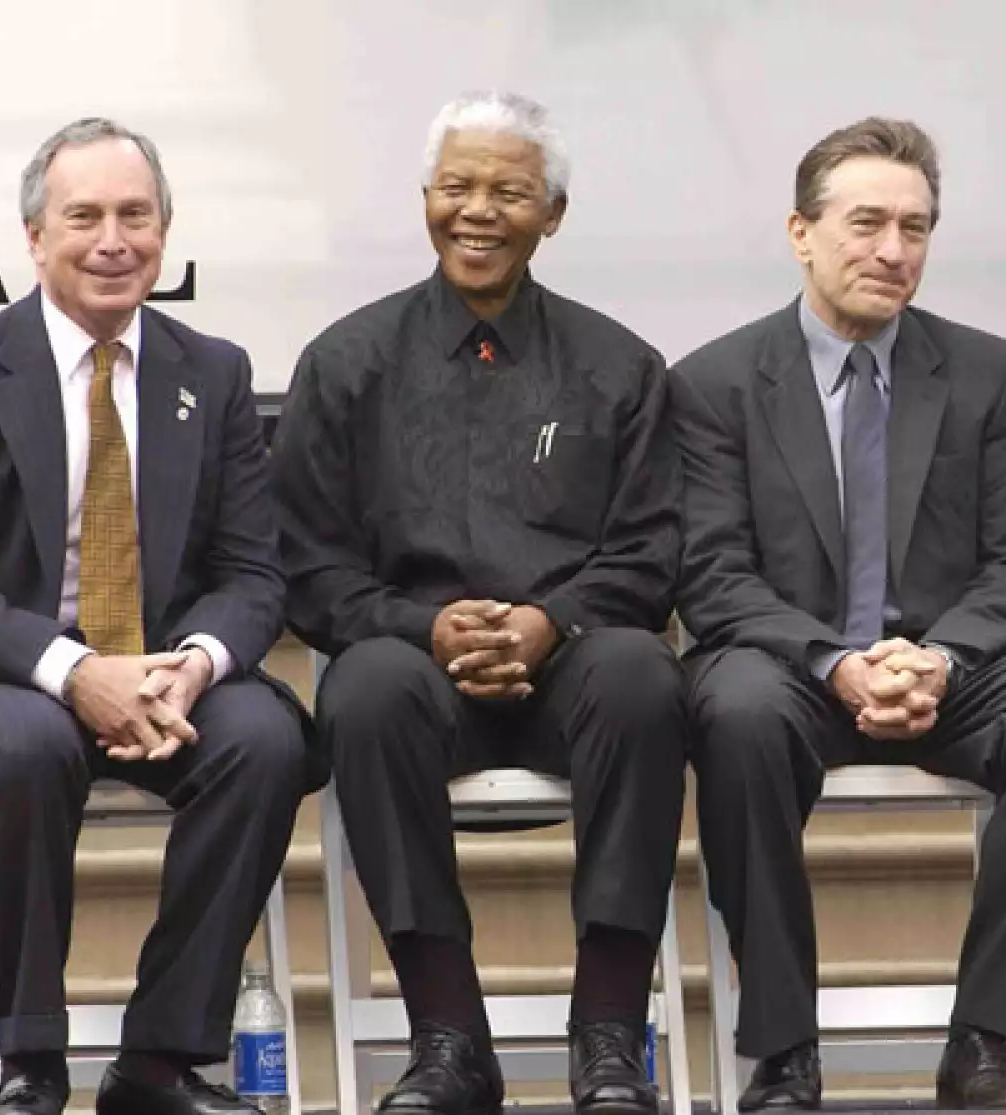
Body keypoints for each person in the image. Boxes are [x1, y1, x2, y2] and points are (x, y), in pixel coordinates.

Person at [0, 118, 319, 1115]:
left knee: (264, 738)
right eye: (84, 217)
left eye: (136, 216)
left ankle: (161, 1059)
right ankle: (32, 1059)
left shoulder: (212, 372)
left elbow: (254, 572)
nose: (113, 241)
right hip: (10, 677)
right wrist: (77, 673)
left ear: (165, 232)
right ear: (34, 237)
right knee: (23, 745)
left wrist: (195, 664)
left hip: (166, 676)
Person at [673, 117, 1006, 1111]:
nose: (892, 250)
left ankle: (989, 1042)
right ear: (801, 232)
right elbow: (712, 575)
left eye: (915, 228)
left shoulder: (990, 373)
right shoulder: (714, 383)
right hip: (788, 664)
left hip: (948, 663)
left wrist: (939, 658)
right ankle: (783, 1050)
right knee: (735, 712)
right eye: (866, 223)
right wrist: (836, 662)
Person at [272, 92, 686, 1115]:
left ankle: (609, 1034)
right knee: (363, 690)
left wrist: (551, 621)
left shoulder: (617, 366)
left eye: (509, 191)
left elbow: (651, 548)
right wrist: (424, 625)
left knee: (643, 674)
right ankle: (448, 1037)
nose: (479, 211)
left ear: (553, 214)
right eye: (456, 187)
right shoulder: (346, 363)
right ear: (425, 198)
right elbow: (309, 562)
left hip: (575, 667)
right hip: (415, 668)